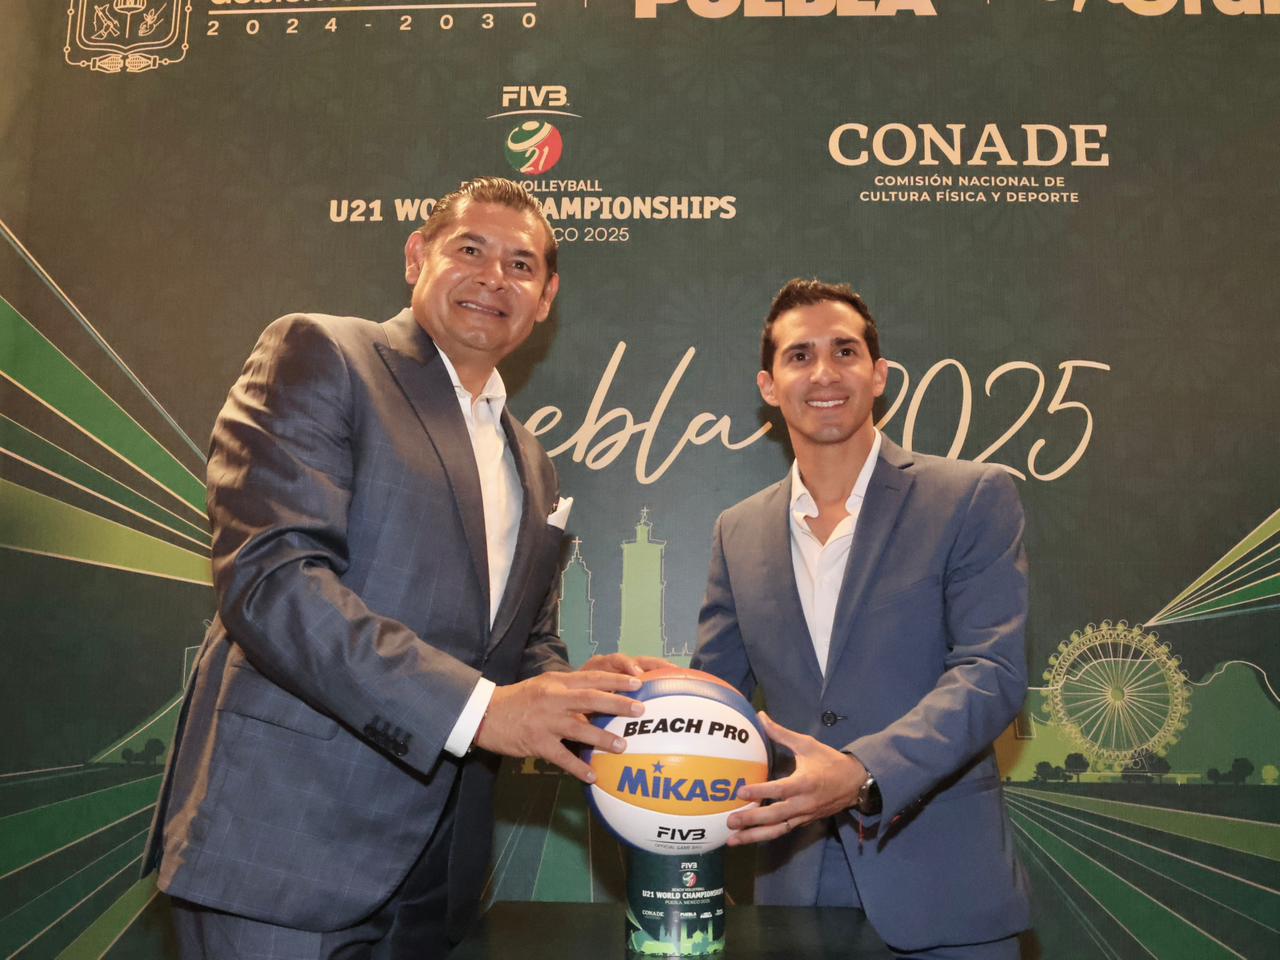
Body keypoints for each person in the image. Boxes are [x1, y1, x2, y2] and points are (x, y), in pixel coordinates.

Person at [146, 177, 659, 959]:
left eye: (521, 265)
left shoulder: (533, 462)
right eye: (470, 249)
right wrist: (482, 713)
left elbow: (518, 647)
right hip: (284, 851)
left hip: (438, 881)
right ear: (417, 256)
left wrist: (590, 702)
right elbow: (273, 580)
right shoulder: (323, 354)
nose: (494, 278)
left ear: (545, 298)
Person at [692, 278, 1032, 958]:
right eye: (799, 355)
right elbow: (715, 702)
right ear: (768, 386)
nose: (823, 372)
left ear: (878, 375)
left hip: (945, 889)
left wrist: (862, 772)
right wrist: (634, 712)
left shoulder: (971, 497)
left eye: (844, 351)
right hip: (793, 891)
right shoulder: (738, 530)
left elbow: (991, 673)